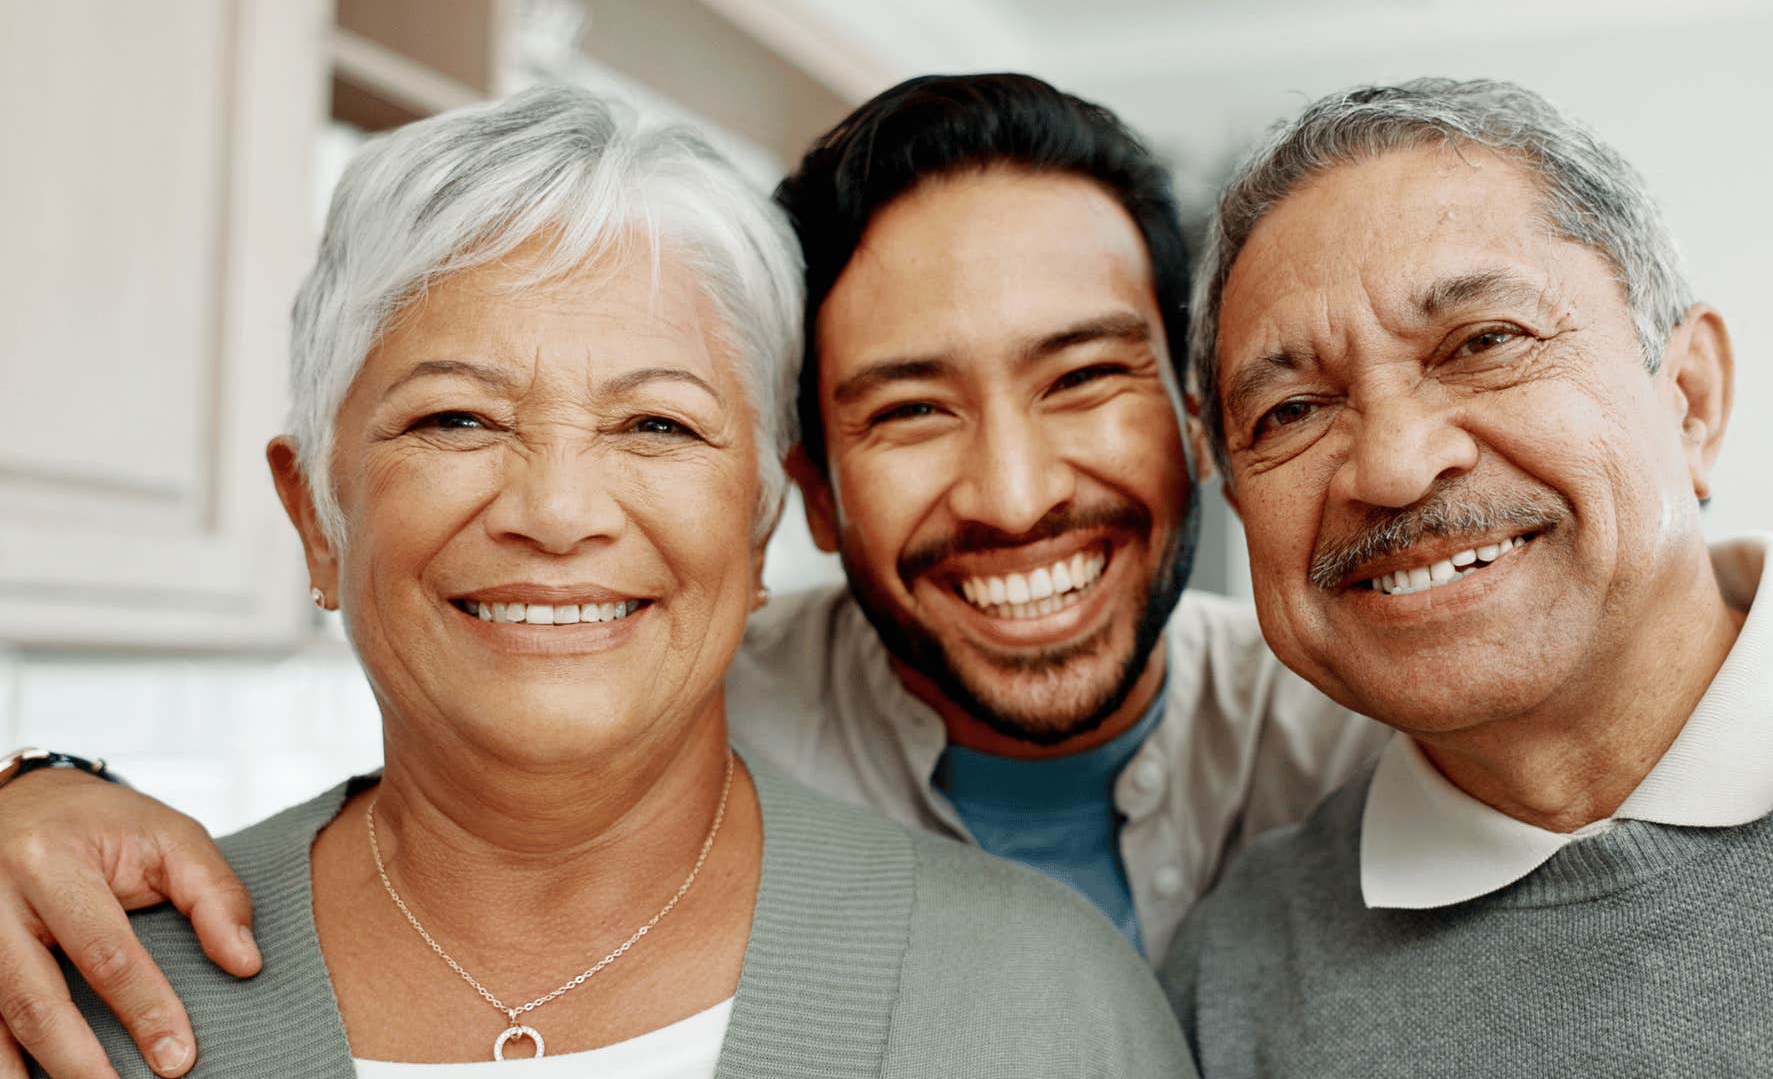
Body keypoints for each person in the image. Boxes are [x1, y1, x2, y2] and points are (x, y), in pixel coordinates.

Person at [0, 72, 1387, 1075]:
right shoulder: (80, 996)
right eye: (455, 417)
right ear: (810, 503)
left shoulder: (1375, 730)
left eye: (657, 423)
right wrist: (30, 790)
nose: (555, 510)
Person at [1161, 77, 1773, 1075]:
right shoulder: (1232, 976)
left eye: (1483, 344)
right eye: (1292, 411)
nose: (1392, 465)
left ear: (1690, 399)